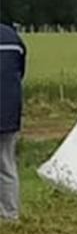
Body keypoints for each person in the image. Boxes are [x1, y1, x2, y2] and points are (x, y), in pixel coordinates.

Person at [0, 21, 26, 221]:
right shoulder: (12, 36)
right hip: (9, 111)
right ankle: (10, 215)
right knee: (7, 165)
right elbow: (20, 70)